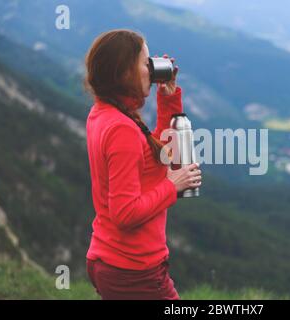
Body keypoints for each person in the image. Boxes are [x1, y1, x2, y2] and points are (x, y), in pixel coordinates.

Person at [84, 29, 202, 300]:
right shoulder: (121, 129)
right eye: (145, 62)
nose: (152, 69)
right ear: (125, 72)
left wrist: (168, 98)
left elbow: (157, 156)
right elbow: (124, 213)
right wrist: (172, 186)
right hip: (134, 271)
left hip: (111, 260)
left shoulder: (103, 114)